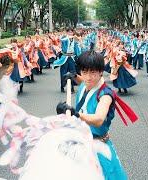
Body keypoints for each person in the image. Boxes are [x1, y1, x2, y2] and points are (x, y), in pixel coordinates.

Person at [56, 50, 133, 180]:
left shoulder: (105, 95)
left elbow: (98, 119)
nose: (88, 77)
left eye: (93, 72)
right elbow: (82, 81)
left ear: (101, 72)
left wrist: (76, 114)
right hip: (80, 142)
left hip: (98, 147)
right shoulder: (86, 83)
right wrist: (74, 76)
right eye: (84, 72)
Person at [53, 28, 81, 93]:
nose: (70, 33)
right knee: (63, 72)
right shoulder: (64, 39)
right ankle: (62, 86)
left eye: (71, 32)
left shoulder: (75, 40)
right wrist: (68, 37)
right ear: (67, 33)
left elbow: (77, 50)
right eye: (69, 32)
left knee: (73, 72)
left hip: (72, 58)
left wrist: (79, 57)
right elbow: (60, 40)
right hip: (65, 57)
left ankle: (72, 87)